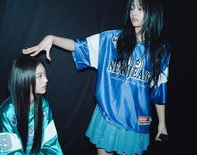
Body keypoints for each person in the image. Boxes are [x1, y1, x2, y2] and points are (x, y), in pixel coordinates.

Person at [23, 0, 170, 154]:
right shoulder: (111, 39)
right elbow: (79, 46)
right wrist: (52, 38)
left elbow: (160, 89)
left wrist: (162, 123)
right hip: (108, 115)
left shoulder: (162, 51)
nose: (134, 12)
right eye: (132, 8)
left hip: (137, 120)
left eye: (140, 9)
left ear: (153, 13)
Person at [0, 55, 63, 155]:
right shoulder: (7, 112)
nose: (46, 80)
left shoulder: (44, 106)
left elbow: (50, 144)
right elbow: (8, 153)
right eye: (39, 76)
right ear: (25, 79)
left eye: (45, 74)